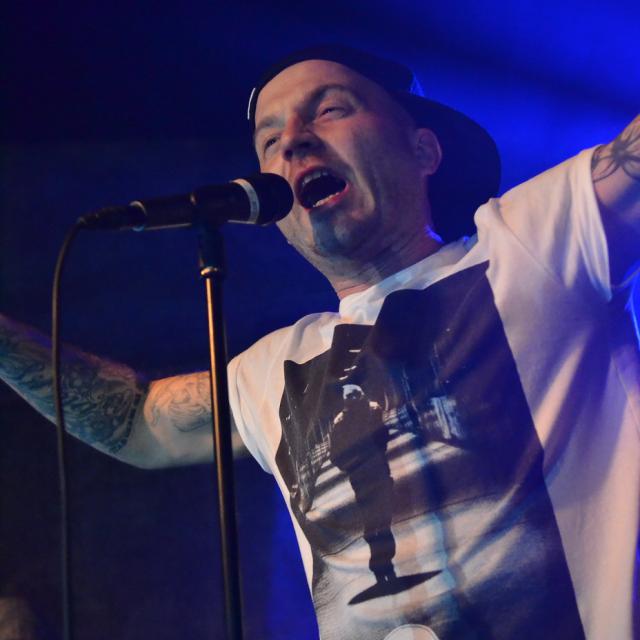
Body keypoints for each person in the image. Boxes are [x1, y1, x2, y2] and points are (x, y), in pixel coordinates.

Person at [1, 44, 639, 638]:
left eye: (330, 109)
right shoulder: (276, 368)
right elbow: (138, 421)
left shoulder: (530, 246)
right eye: (269, 139)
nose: (293, 141)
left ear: (422, 149)